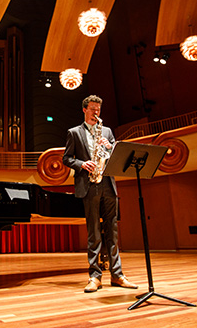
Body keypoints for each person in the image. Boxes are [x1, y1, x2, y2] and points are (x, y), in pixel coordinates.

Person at [63, 95, 138, 293]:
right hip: (89, 184)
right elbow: (66, 158)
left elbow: (116, 155)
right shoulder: (74, 132)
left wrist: (109, 146)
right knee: (94, 233)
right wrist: (81, 164)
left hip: (107, 183)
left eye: (98, 109)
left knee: (112, 231)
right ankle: (94, 276)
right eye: (93, 109)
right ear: (84, 110)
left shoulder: (107, 131)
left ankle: (117, 275)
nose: (96, 112)